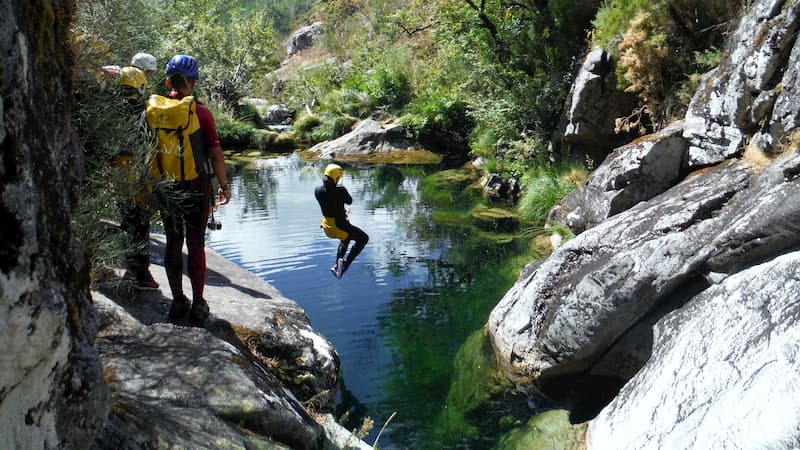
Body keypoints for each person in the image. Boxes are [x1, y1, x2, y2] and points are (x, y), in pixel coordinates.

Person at [146, 54, 231, 321]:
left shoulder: (153, 110)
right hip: (196, 188)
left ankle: (178, 301)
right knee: (196, 245)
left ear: (168, 80)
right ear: (193, 84)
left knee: (173, 243)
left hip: (166, 189)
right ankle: (199, 303)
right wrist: (224, 186)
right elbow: (216, 154)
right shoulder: (201, 113)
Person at [114, 66, 159, 291]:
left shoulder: (110, 109)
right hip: (136, 177)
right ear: (139, 87)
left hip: (117, 177)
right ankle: (141, 274)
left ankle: (130, 268)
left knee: (127, 221)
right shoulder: (139, 112)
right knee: (140, 224)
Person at [314, 163, 369, 278]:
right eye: (339, 178)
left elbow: (330, 204)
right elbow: (349, 201)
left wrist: (341, 209)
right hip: (339, 226)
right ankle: (344, 265)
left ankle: (338, 264)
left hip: (327, 226)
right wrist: (342, 193)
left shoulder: (318, 190)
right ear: (336, 178)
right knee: (363, 238)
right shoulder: (341, 190)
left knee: (347, 236)